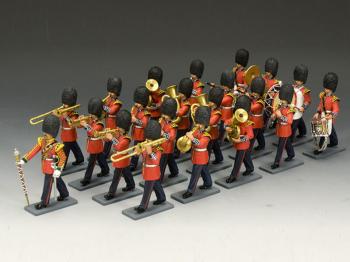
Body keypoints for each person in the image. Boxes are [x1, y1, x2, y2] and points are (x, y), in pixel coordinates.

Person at [19, 115, 69, 210]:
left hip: (52, 168)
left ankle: (44, 202)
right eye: (45, 132)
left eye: (47, 133)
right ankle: (64, 193)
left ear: (52, 133)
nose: (45, 134)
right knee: (58, 180)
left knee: (47, 185)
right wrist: (24, 159)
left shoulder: (57, 146)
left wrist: (58, 169)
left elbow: (63, 157)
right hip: (45, 167)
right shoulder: (42, 141)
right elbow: (33, 151)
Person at [134, 120, 166, 213]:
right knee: (156, 184)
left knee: (147, 189)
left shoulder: (158, 148)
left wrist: (150, 152)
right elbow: (140, 155)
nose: (147, 141)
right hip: (146, 168)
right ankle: (161, 197)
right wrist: (137, 151)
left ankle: (143, 206)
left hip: (152, 170)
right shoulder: (146, 144)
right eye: (147, 138)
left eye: (150, 139)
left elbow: (156, 161)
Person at [104, 110, 135, 200]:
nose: (117, 127)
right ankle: (131, 185)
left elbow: (119, 147)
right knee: (126, 172)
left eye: (120, 127)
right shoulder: (117, 133)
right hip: (119, 158)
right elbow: (106, 141)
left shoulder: (126, 139)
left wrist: (112, 138)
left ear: (125, 128)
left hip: (122, 159)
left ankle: (111, 193)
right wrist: (106, 135)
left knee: (116, 177)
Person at [182, 106, 212, 199]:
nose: (198, 125)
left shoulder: (206, 135)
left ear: (205, 124)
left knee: (195, 174)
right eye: (198, 122)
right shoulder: (197, 130)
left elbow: (200, 144)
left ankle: (190, 190)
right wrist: (188, 136)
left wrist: (191, 138)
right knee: (204, 170)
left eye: (200, 123)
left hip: (201, 156)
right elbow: (192, 137)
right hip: (196, 155)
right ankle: (208, 183)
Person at [80, 98, 110, 186]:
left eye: (92, 114)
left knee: (91, 163)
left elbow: (92, 132)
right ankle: (105, 170)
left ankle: (87, 179)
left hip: (96, 144)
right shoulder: (91, 120)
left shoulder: (100, 124)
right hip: (93, 144)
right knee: (100, 158)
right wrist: (80, 120)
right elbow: (81, 126)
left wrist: (85, 125)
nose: (90, 115)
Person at [225, 95, 254, 182]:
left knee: (238, 160)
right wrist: (226, 127)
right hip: (237, 142)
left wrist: (240, 140)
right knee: (245, 156)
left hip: (243, 144)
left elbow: (250, 135)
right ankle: (250, 167)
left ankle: (233, 176)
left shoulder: (247, 123)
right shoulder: (235, 118)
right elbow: (227, 122)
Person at [313, 72, 340, 154]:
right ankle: (334, 141)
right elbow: (320, 105)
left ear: (332, 89)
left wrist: (331, 116)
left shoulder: (334, 100)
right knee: (330, 130)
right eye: (325, 88)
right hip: (323, 116)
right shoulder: (322, 96)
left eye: (328, 88)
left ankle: (320, 148)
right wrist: (317, 112)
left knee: (323, 132)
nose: (325, 89)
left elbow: (336, 110)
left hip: (328, 117)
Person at [58, 88, 84, 167]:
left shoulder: (73, 113)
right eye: (64, 103)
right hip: (65, 133)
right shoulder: (64, 110)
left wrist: (66, 117)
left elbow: (72, 124)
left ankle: (62, 165)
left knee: (65, 151)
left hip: (69, 134)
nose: (64, 105)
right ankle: (80, 158)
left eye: (66, 104)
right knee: (74, 147)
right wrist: (57, 114)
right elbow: (60, 118)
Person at [270, 84, 295, 169]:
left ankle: (276, 162)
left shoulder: (290, 110)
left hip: (285, 130)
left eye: (284, 100)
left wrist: (280, 116)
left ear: (288, 100)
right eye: (282, 99)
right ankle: (291, 154)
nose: (282, 101)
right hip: (280, 127)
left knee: (280, 147)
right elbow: (276, 113)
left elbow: (290, 121)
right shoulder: (280, 106)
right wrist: (273, 116)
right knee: (287, 142)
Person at [130, 86, 151, 171]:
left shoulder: (146, 113)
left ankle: (135, 164)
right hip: (136, 132)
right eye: (136, 102)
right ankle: (136, 164)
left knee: (140, 150)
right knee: (138, 149)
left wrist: (136, 120)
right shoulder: (135, 109)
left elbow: (144, 124)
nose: (136, 104)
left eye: (138, 102)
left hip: (142, 134)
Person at [159, 97, 179, 181]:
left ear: (171, 114)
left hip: (167, 146)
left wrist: (163, 133)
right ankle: (174, 171)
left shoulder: (173, 126)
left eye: (166, 115)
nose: (164, 116)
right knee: (170, 159)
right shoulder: (162, 120)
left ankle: (159, 178)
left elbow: (172, 137)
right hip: (162, 145)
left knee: (162, 163)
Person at [102, 77, 123, 158]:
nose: (110, 93)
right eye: (109, 91)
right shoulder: (108, 100)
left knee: (110, 138)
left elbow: (111, 111)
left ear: (116, 92)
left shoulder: (118, 103)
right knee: (108, 137)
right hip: (107, 120)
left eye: (112, 92)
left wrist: (103, 106)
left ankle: (106, 153)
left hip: (113, 122)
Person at [174, 77, 193, 158]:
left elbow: (181, 112)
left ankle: (176, 152)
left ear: (186, 94)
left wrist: (173, 110)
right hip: (179, 123)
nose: (180, 94)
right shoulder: (180, 99)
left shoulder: (187, 104)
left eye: (182, 93)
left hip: (183, 124)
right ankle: (188, 148)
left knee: (179, 138)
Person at [291, 65, 311, 141]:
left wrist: (303, 106)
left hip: (299, 109)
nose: (297, 81)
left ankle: (290, 139)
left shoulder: (305, 91)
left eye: (299, 80)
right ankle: (303, 132)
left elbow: (307, 101)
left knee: (294, 124)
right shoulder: (292, 87)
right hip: (292, 108)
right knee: (299, 121)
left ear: (302, 81)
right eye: (296, 80)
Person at [207, 86, 224, 164]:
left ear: (215, 103)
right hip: (211, 131)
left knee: (209, 148)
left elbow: (211, 122)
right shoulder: (211, 108)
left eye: (211, 101)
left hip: (212, 132)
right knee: (215, 145)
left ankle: (205, 162)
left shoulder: (217, 113)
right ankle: (219, 157)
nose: (209, 102)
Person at [218, 70, 235, 143]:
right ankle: (227, 137)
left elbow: (221, 101)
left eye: (225, 86)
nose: (223, 87)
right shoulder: (225, 91)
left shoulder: (229, 96)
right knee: (224, 126)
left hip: (227, 113)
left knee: (223, 127)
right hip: (223, 112)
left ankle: (220, 140)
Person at [249, 76, 266, 151]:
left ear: (260, 94)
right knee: (259, 134)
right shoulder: (253, 98)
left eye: (256, 93)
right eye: (253, 92)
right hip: (252, 119)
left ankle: (248, 150)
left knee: (252, 136)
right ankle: (262, 145)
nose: (254, 94)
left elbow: (252, 108)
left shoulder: (260, 102)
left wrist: (247, 98)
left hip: (256, 121)